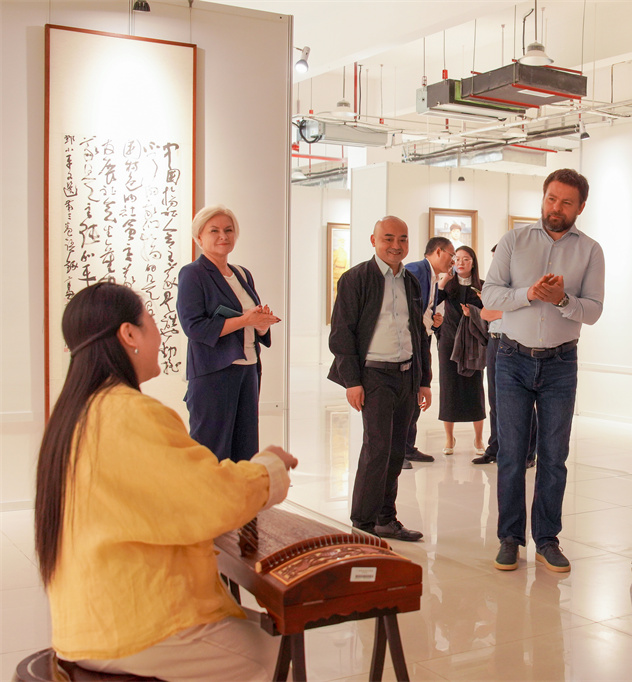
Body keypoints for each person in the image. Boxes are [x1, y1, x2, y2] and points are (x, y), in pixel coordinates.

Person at [35, 282, 297, 681]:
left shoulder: (77, 413)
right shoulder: (129, 413)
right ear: (129, 334)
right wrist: (269, 467)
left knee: (255, 626)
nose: (159, 335)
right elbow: (210, 499)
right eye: (152, 321)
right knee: (278, 656)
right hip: (138, 624)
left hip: (90, 619)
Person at [482, 168, 605, 573]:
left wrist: (562, 300)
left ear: (580, 207)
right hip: (511, 358)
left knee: (554, 456)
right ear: (543, 197)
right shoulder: (514, 240)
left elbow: (593, 311)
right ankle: (510, 538)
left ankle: (547, 539)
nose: (556, 207)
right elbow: (490, 294)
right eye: (551, 198)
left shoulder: (590, 251)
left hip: (560, 364)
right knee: (511, 454)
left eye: (566, 202)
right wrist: (529, 293)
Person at [327, 216, 431, 542]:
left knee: (397, 451)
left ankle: (386, 519)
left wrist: (424, 380)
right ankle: (362, 523)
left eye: (403, 239)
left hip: (406, 376)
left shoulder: (411, 281)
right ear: (374, 240)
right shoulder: (355, 279)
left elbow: (419, 333)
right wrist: (352, 381)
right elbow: (341, 334)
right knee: (377, 449)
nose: (396, 246)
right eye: (388, 238)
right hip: (373, 376)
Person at [178, 205, 281, 462]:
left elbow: (250, 324)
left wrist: (260, 324)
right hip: (213, 372)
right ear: (199, 237)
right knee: (211, 449)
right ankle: (207, 491)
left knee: (245, 447)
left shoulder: (242, 273)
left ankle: (240, 490)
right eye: (214, 231)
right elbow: (194, 327)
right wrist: (245, 319)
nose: (223, 236)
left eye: (229, 230)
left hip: (249, 368)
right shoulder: (193, 274)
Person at [475, 246, 538, 467]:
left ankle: (528, 453)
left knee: (523, 403)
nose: (496, 263)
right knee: (495, 399)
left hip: (514, 343)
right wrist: (509, 310)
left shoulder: (524, 285)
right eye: (494, 258)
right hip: (494, 341)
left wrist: (505, 310)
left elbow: (527, 312)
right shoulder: (496, 287)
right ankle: (495, 448)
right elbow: (485, 313)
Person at [403, 237, 455, 466]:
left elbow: (424, 309)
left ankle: (407, 447)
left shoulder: (433, 277)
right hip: (410, 343)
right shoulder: (415, 270)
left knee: (415, 395)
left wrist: (433, 321)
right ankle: (399, 451)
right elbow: (405, 309)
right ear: (438, 251)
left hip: (422, 339)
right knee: (406, 398)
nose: (453, 260)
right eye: (451, 255)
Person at [436, 245, 487, 455]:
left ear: (473, 263)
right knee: (448, 388)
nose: (460, 262)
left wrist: (473, 312)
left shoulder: (483, 286)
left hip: (473, 343)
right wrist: (442, 282)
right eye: (457, 258)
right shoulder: (448, 285)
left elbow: (490, 313)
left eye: (466, 259)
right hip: (449, 342)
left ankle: (478, 439)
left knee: (475, 389)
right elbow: (432, 303)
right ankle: (449, 438)